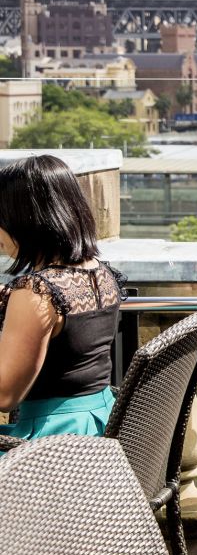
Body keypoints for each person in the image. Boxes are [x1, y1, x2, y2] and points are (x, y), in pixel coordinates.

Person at [0, 154, 127, 442]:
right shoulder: (101, 274)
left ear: (23, 221)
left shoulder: (36, 291)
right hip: (98, 432)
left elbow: (5, 395)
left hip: (51, 450)